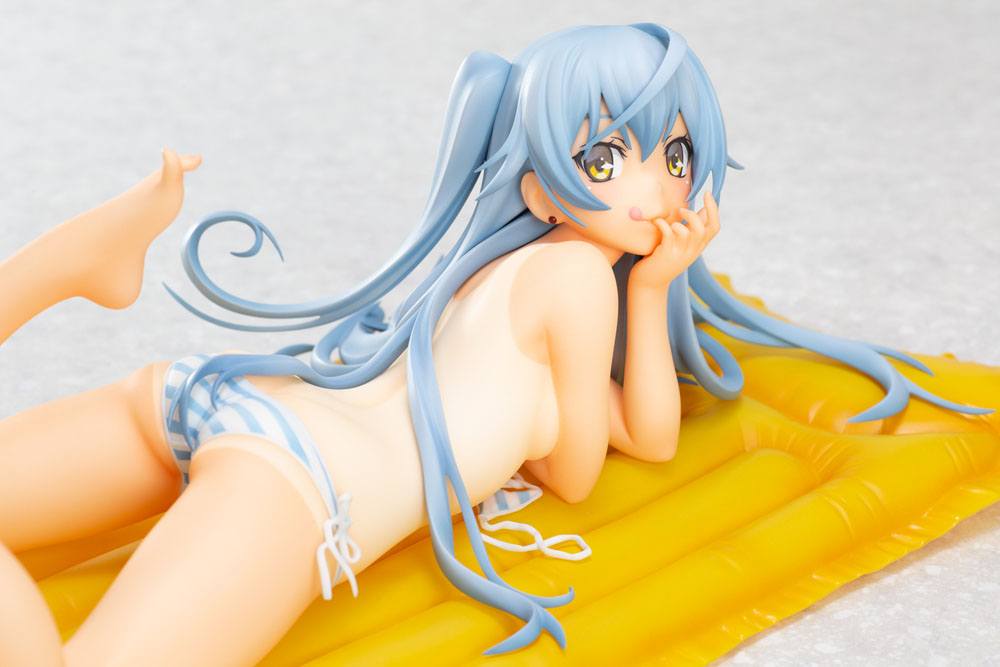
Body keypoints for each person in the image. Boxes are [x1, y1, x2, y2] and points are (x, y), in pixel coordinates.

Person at [0, 23, 989, 665]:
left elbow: (619, 427)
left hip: (210, 397)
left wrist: (645, 293)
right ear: (540, 189)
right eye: (609, 155)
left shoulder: (494, 276)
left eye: (676, 154)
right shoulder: (574, 280)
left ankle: (63, 265)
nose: (656, 188)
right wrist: (643, 297)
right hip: (290, 484)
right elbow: (586, 465)